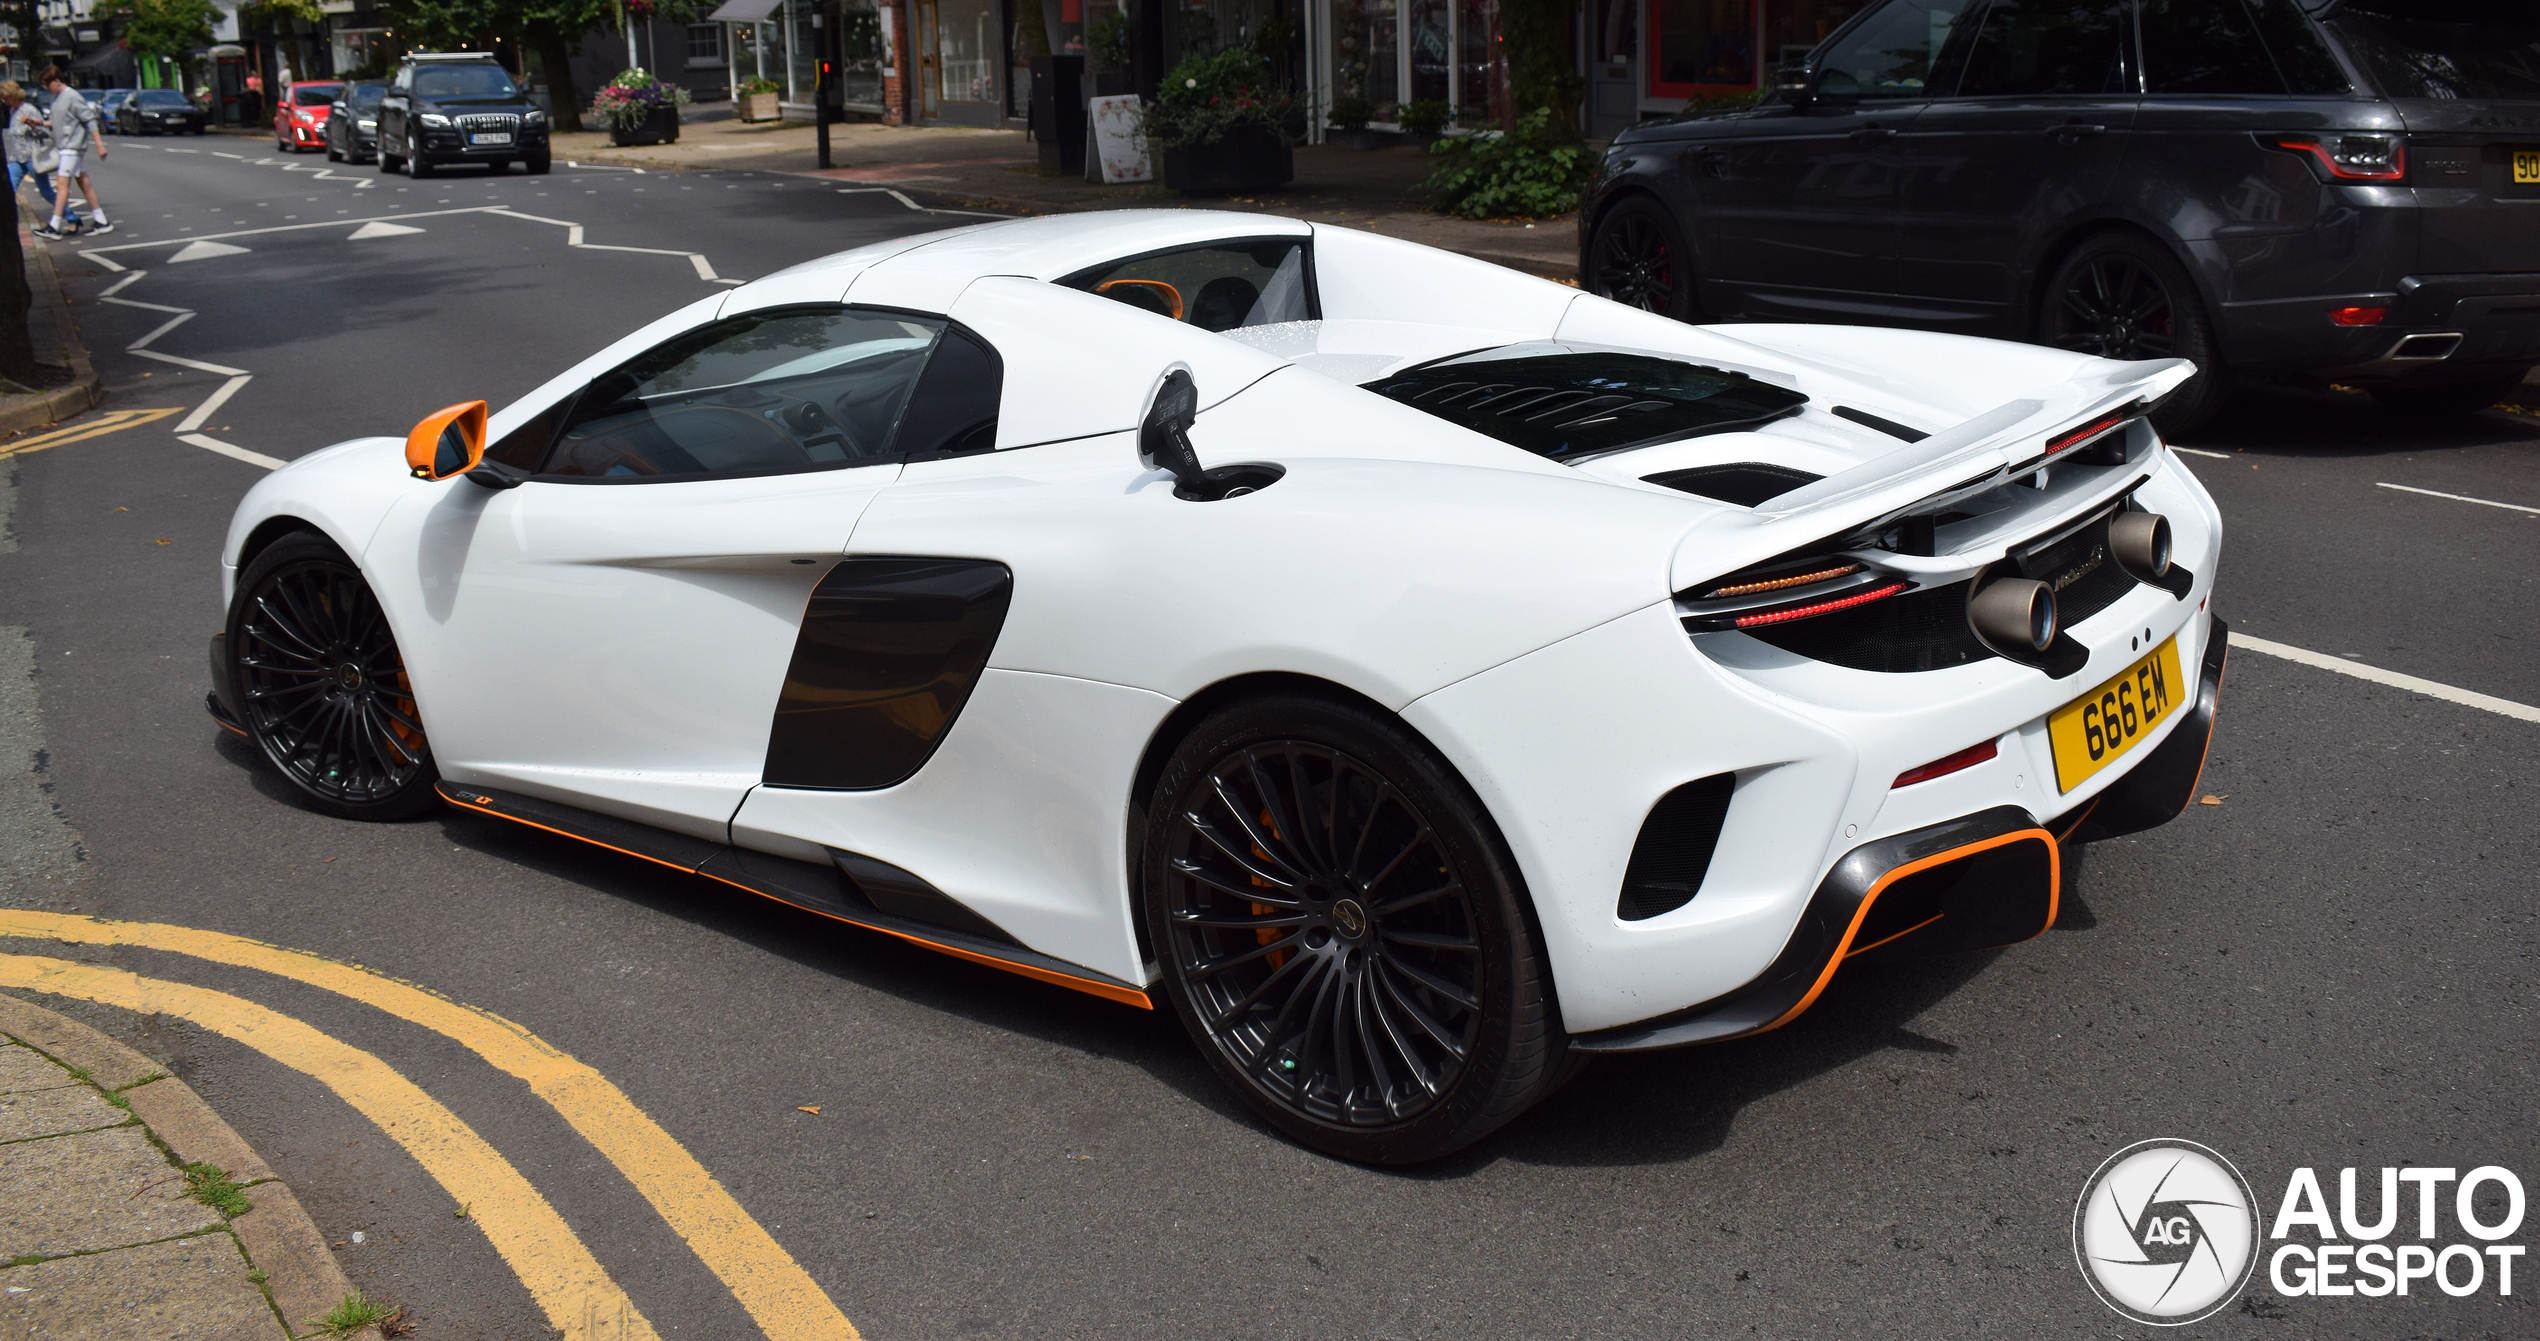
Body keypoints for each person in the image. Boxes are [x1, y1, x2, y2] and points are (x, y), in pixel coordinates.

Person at [32, 67, 107, 239]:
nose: (46, 88)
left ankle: (54, 226)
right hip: (65, 146)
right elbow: (60, 122)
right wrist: (41, 123)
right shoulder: (56, 98)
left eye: (47, 84)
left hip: (72, 147)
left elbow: (89, 119)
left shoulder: (72, 97)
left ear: (57, 81)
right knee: (84, 183)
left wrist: (99, 145)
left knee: (62, 185)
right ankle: (101, 220)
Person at [0, 82, 71, 227]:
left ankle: (71, 217)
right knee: (8, 191)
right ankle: (6, 223)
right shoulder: (13, 111)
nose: (5, 102)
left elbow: (45, 133)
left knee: (46, 193)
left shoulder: (29, 110)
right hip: (17, 159)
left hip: (33, 158)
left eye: (6, 98)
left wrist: (32, 125)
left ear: (13, 96)